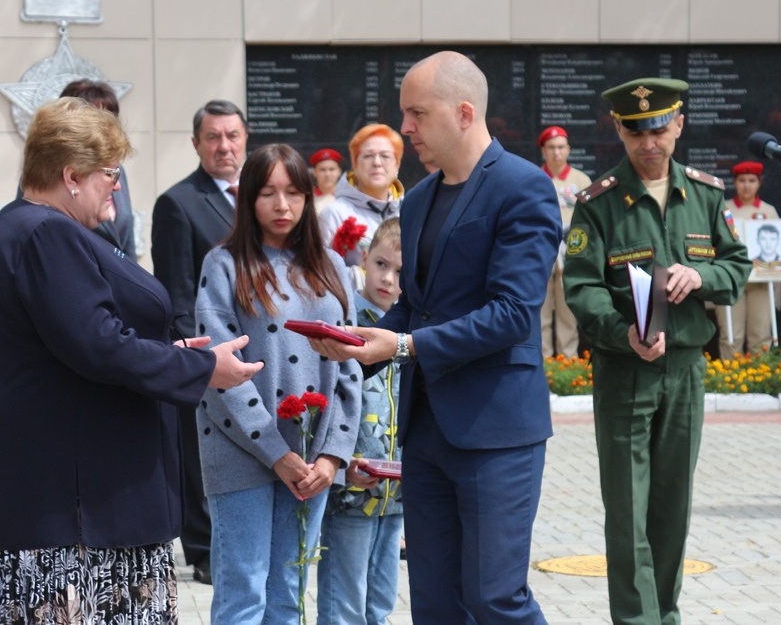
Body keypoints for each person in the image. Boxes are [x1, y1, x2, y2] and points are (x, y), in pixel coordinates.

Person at [0, 97, 261, 623]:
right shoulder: (45, 233)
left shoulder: (31, 227)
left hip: (76, 500)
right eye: (110, 172)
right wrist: (200, 369)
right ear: (71, 175)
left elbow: (77, 342)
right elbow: (97, 346)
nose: (118, 185)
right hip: (76, 515)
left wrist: (167, 353)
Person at [309, 51, 562, 624]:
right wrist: (357, 340)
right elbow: (414, 309)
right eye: (405, 114)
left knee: (496, 598)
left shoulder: (523, 188)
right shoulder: (418, 199)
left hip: (496, 431)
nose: (405, 129)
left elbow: (513, 314)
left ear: (465, 112)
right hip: (426, 434)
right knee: (435, 604)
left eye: (417, 113)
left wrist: (400, 347)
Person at [563, 77, 751, 625]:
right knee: (628, 511)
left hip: (686, 370)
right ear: (619, 130)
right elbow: (582, 286)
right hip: (626, 372)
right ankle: (638, 620)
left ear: (679, 126)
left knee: (672, 508)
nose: (649, 141)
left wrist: (702, 274)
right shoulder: (598, 204)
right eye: (636, 130)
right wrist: (624, 334)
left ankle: (665, 614)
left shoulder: (707, 195)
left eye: (660, 128)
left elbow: (737, 266)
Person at [193, 144, 362, 625]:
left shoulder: (331, 266)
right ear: (247, 200)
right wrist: (277, 453)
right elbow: (220, 373)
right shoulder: (224, 264)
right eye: (267, 193)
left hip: (311, 460)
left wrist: (332, 456)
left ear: (309, 198)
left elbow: (349, 366)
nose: (282, 206)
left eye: (293, 193)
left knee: (288, 593)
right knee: (244, 593)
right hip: (241, 452)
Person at [150, 98, 247, 584]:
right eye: (213, 137)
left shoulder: (260, 193)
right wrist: (200, 357)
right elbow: (177, 290)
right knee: (200, 451)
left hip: (259, 346)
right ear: (196, 144)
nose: (223, 146)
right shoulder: (178, 202)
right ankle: (204, 548)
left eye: (232, 136)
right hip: (209, 348)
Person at [317, 217, 404, 625]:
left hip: (396, 497)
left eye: (401, 272)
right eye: (381, 264)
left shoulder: (413, 334)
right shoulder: (347, 324)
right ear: (364, 259)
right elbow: (331, 404)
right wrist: (342, 462)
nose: (387, 279)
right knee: (344, 607)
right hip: (351, 494)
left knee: (381, 606)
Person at [57, 79, 137, 257]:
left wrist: (134, 281)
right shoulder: (51, 174)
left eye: (110, 119)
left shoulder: (118, 171)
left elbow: (127, 240)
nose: (106, 129)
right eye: (97, 121)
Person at [537, 125, 592, 359]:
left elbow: (589, 220)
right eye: (551, 147)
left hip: (571, 251)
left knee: (568, 311)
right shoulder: (534, 177)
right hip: (541, 251)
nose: (556, 152)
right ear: (543, 151)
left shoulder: (581, 180)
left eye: (560, 147)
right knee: (540, 312)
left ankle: (568, 363)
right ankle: (544, 364)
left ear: (568, 150)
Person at [318, 124, 404, 271]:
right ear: (355, 165)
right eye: (368, 156)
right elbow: (321, 275)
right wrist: (362, 277)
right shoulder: (334, 214)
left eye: (385, 156)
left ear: (397, 165)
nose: (377, 163)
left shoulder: (411, 211)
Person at [717, 161, 781, 358]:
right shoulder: (723, 209)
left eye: (752, 180)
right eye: (742, 180)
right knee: (731, 335)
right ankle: (730, 382)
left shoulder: (769, 211)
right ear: (734, 183)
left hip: (761, 280)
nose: (747, 185)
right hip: (731, 280)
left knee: (760, 335)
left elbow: (780, 247)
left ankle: (759, 381)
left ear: (759, 183)